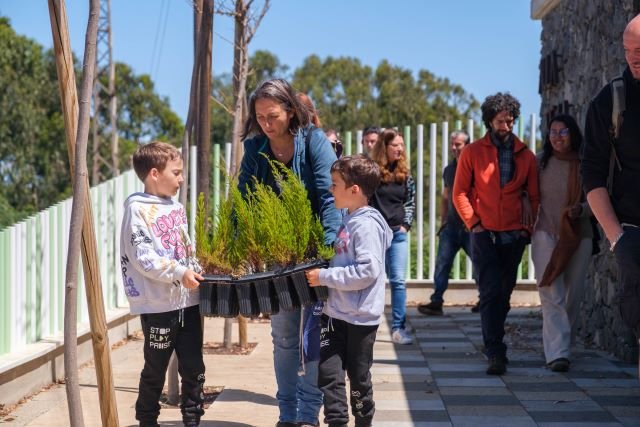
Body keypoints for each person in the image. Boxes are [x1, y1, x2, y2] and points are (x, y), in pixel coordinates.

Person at [238, 78, 341, 427]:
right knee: (283, 337)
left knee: (311, 336)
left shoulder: (313, 141)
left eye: (273, 115)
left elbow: (329, 197)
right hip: (278, 256)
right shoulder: (255, 149)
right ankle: (287, 414)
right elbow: (244, 200)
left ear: (290, 111)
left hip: (314, 253)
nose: (267, 123)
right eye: (260, 116)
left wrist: (327, 247)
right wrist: (240, 245)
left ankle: (309, 415)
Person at [452, 93, 540, 375]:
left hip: (514, 235)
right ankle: (495, 351)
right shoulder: (472, 152)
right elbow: (459, 193)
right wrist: (474, 224)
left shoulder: (526, 155)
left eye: (510, 119)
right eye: (501, 119)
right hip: (484, 233)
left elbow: (535, 196)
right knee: (489, 292)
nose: (506, 124)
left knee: (504, 293)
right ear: (489, 120)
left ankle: (495, 339)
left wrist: (527, 229)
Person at [120, 141, 205, 427]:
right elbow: (143, 257)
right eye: (177, 172)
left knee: (194, 367)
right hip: (158, 306)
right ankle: (147, 420)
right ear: (154, 173)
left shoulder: (177, 208)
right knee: (155, 367)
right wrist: (179, 273)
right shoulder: (137, 209)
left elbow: (184, 249)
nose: (182, 179)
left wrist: (196, 270)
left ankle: (193, 419)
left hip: (188, 303)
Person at [305, 155, 392, 427]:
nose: (331, 190)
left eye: (335, 184)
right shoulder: (350, 219)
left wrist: (325, 277)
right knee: (329, 376)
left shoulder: (365, 225)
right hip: (335, 314)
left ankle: (363, 420)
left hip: (360, 319)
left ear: (353, 190)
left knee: (358, 378)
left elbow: (368, 272)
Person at [581, 15, 640, 377]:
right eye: (629, 50)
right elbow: (591, 174)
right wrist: (618, 238)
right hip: (634, 232)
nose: (635, 58)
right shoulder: (611, 100)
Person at [532, 114, 594, 373]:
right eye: (553, 132)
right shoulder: (539, 162)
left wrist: (582, 209)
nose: (557, 137)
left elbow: (601, 197)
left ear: (573, 134)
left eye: (563, 131)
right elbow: (526, 195)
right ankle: (557, 353)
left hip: (580, 234)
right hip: (545, 233)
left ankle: (564, 346)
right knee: (551, 293)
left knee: (572, 295)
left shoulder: (587, 164)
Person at [418, 130, 480, 316]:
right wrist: (443, 221)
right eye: (452, 144)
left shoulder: (477, 168)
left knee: (480, 264)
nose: (453, 147)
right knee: (442, 264)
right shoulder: (449, 170)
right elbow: (446, 197)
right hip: (451, 227)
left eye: (458, 144)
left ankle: (485, 300)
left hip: (472, 227)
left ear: (467, 145)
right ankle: (436, 301)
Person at [369, 128, 416, 345]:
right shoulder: (372, 173)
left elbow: (410, 203)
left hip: (398, 234)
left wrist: (406, 225)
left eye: (401, 145)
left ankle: (398, 328)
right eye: (395, 145)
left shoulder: (406, 175)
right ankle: (368, 325)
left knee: (397, 281)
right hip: (376, 235)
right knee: (372, 280)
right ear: (384, 147)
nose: (400, 149)